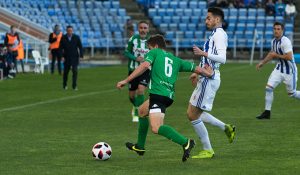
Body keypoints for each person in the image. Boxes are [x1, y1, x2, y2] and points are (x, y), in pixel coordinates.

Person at [117, 34, 214, 162]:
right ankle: (140, 146)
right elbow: (197, 69)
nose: (148, 51)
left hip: (158, 95)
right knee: (141, 111)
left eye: (149, 48)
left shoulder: (155, 52)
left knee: (156, 128)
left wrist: (126, 80)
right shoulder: (176, 60)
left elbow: (144, 66)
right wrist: (209, 73)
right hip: (168, 96)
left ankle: (186, 142)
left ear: (156, 46)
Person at [187, 7, 235, 159]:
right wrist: (197, 72)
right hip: (205, 76)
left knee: (193, 115)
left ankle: (208, 149)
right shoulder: (215, 34)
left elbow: (222, 58)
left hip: (210, 78)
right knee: (193, 113)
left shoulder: (219, 34)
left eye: (209, 18)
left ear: (217, 19)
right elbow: (209, 59)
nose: (206, 21)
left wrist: (203, 53)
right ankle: (226, 128)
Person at [256, 22, 300, 119]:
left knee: (292, 94)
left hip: (290, 71)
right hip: (279, 69)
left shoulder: (286, 41)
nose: (276, 31)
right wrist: (262, 63)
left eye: (278, 29)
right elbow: (271, 54)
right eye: (274, 29)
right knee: (268, 88)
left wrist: (276, 55)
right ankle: (267, 112)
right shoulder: (273, 41)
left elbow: (289, 57)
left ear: (282, 31)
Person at [124, 21, 150, 122]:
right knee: (131, 96)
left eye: (145, 28)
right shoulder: (133, 39)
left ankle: (140, 112)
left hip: (145, 70)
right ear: (138, 29)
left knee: (141, 89)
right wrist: (135, 58)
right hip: (133, 70)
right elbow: (126, 52)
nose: (143, 30)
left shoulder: (151, 41)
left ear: (148, 29)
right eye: (141, 28)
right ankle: (135, 106)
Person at [59, 25, 83, 90]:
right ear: (66, 31)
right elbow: (60, 48)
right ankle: (64, 85)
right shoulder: (63, 38)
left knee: (75, 72)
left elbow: (80, 47)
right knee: (66, 73)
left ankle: (74, 86)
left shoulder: (76, 37)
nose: (69, 32)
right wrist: (61, 56)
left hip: (75, 58)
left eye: (71, 31)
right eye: (68, 31)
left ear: (72, 31)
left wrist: (81, 56)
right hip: (66, 58)